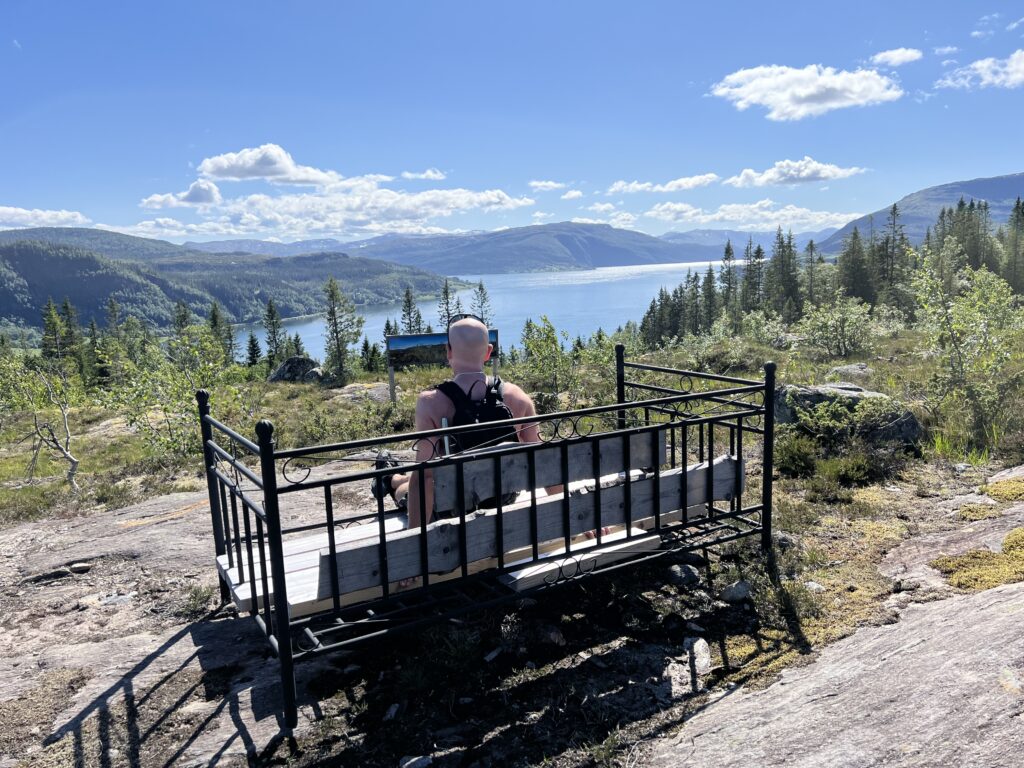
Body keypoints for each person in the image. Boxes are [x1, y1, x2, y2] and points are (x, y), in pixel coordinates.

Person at [371, 314, 549, 528]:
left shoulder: (430, 403)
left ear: (448, 351)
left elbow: (424, 477)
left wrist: (415, 541)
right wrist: (576, 515)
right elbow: (545, 462)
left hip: (451, 510)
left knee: (406, 491)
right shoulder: (518, 397)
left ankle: (389, 480)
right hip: (503, 501)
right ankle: (391, 475)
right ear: (488, 352)